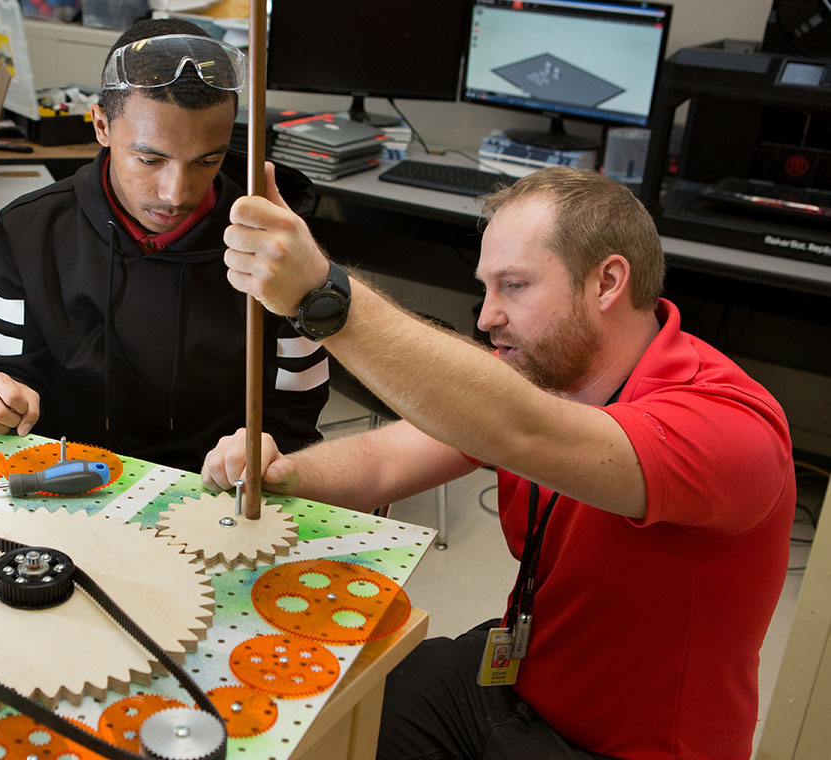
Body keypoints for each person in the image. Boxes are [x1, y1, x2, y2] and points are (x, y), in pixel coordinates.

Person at [202, 166, 795, 759]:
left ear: (608, 282)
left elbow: (523, 429)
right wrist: (281, 475)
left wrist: (323, 297)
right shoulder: (546, 376)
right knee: (324, 723)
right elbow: (387, 459)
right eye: (485, 288)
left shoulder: (730, 427)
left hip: (620, 749)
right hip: (515, 683)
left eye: (514, 286)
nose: (486, 317)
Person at [0, 19, 328, 472]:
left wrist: (267, 444)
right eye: (150, 159)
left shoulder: (276, 247)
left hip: (214, 494)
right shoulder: (28, 231)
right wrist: (0, 396)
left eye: (206, 160)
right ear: (100, 125)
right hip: (65, 483)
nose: (176, 193)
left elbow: (297, 413)